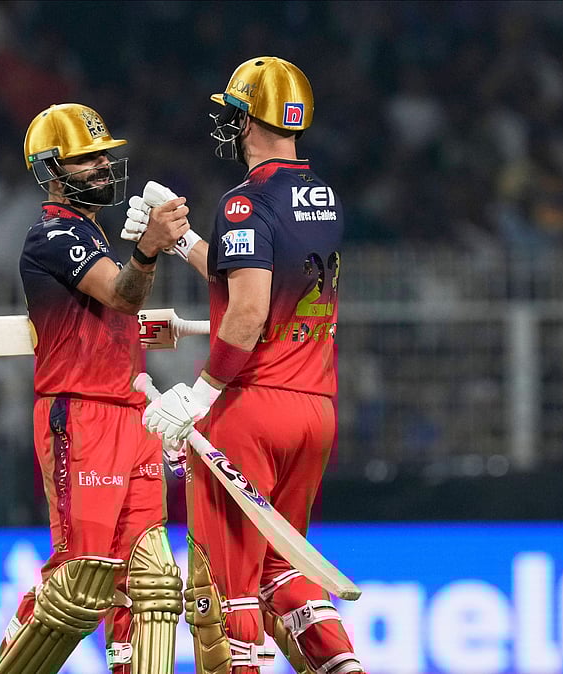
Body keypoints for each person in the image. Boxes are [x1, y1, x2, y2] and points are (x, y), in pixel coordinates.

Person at [141, 58, 365, 673]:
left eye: (234, 111)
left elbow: (247, 312)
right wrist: (186, 244)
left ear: (248, 119)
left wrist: (199, 395)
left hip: (251, 413)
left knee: (222, 595)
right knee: (282, 573)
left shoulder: (244, 203)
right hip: (314, 409)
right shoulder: (323, 198)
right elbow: (256, 274)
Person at [0, 103, 190, 674]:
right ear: (52, 167)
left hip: (132, 414)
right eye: (86, 158)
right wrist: (148, 248)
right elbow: (122, 295)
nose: (102, 166)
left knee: (152, 587)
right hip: (82, 416)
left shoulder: (90, 231)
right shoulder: (51, 234)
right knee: (82, 579)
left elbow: (119, 314)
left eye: (103, 155)